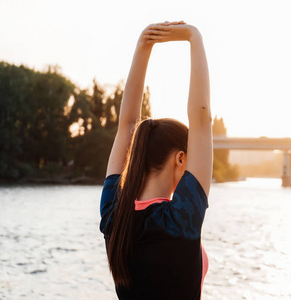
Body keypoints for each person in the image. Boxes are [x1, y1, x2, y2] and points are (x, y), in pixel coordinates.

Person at [99, 21, 212, 300]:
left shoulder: (114, 215)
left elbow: (126, 125)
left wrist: (143, 46)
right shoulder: (179, 218)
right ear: (181, 158)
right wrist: (194, 38)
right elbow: (201, 120)